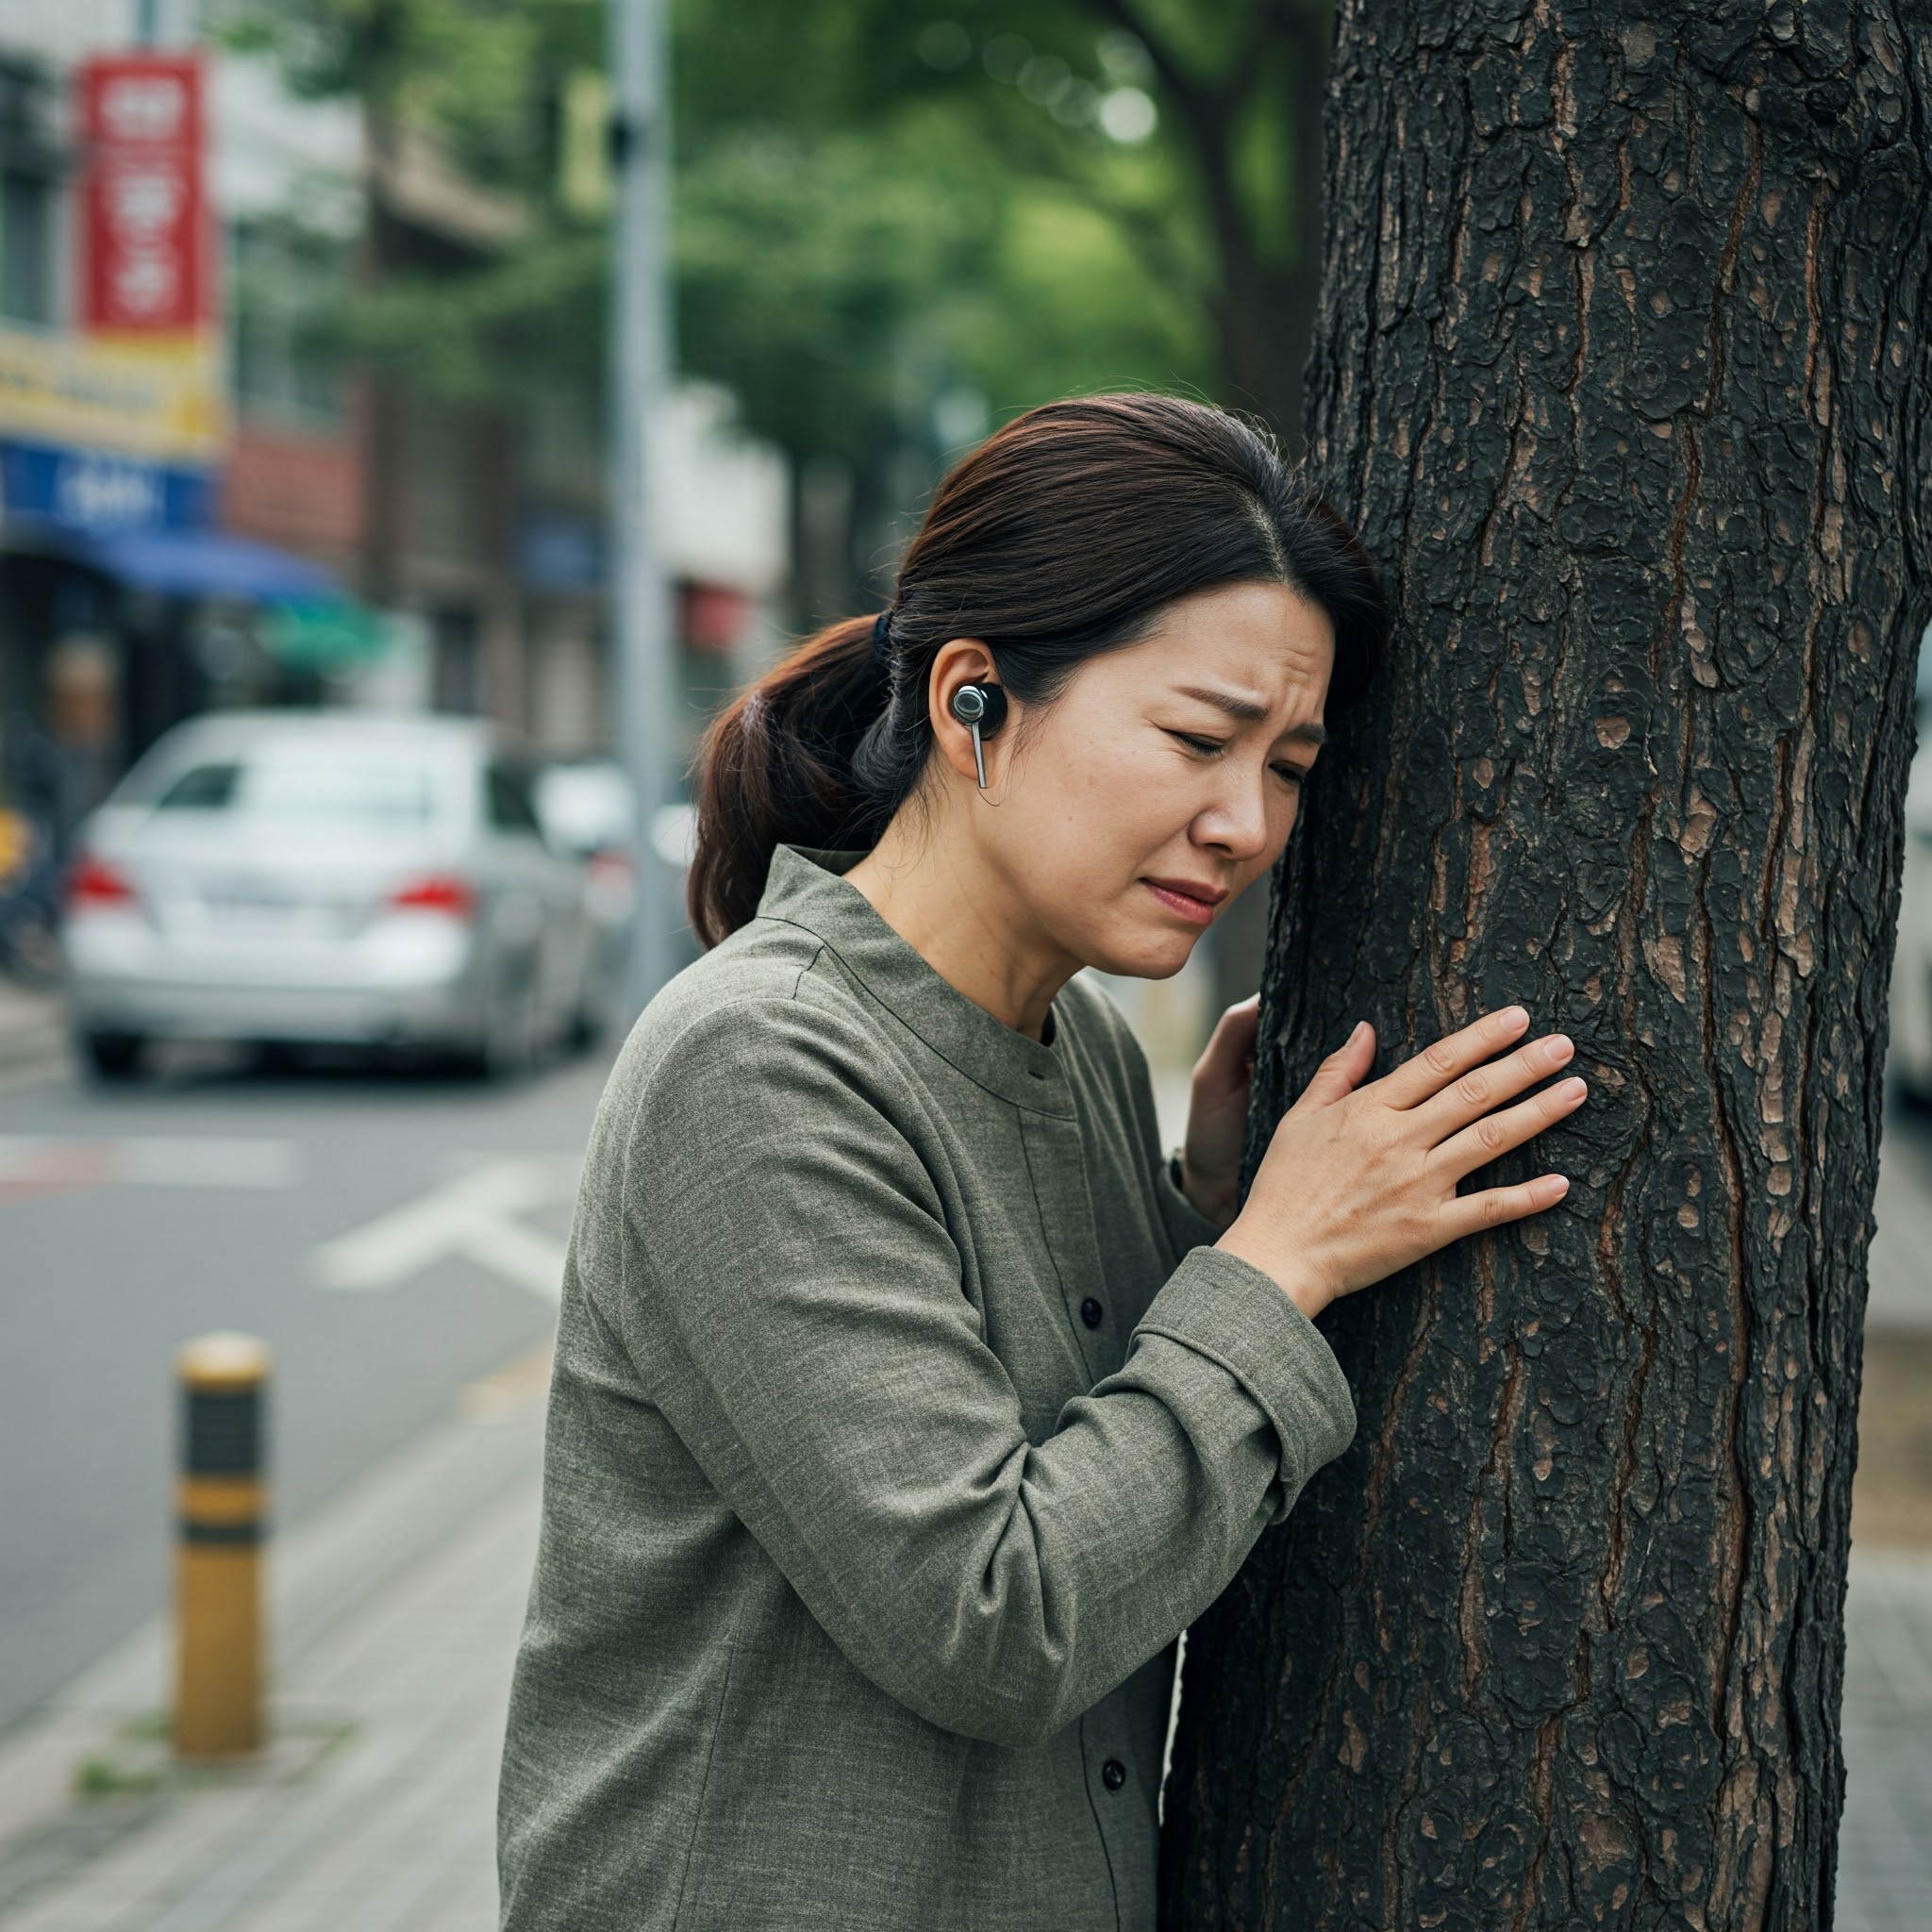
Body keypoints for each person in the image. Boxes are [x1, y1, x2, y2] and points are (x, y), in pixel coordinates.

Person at [495, 394, 1586, 1931]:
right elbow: (994, 1619)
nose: (1246, 822)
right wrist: (1280, 1259)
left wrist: (1208, 1213)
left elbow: (1072, 1419)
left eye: (1289, 764)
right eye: (1197, 739)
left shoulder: (1074, 1043)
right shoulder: (759, 1059)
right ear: (973, 706)